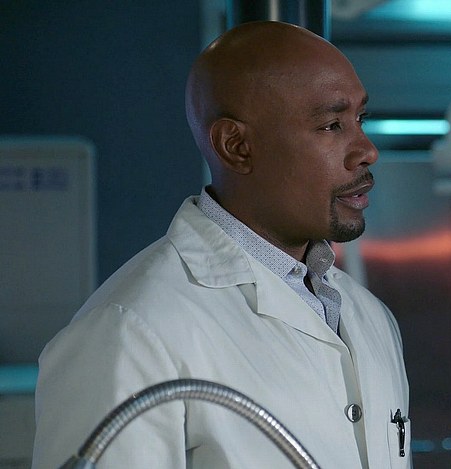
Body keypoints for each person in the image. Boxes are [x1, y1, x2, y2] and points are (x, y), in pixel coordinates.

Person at [32, 21, 410, 468]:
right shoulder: (128, 331)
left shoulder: (367, 315)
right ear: (236, 146)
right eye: (331, 125)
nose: (367, 150)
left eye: (360, 119)